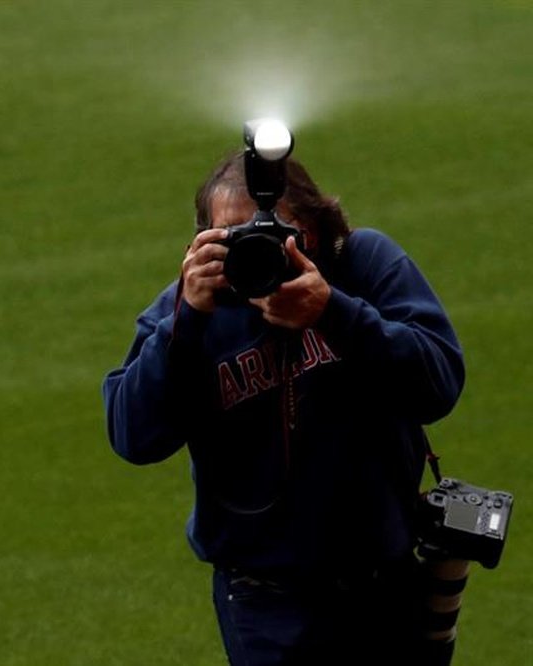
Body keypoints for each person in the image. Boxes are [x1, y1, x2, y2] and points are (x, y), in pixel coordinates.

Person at [102, 151, 464, 664]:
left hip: (383, 580)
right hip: (264, 600)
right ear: (201, 243)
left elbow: (440, 384)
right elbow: (133, 438)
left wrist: (335, 312)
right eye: (233, 237)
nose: (255, 249)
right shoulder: (188, 312)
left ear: (312, 230)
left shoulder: (360, 265)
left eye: (272, 232)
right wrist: (185, 325)